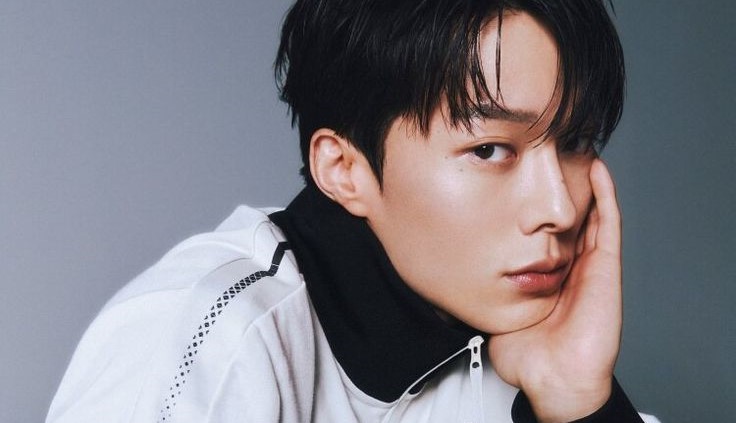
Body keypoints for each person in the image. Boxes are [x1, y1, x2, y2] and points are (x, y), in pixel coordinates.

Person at [46, 1, 660, 422]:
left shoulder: (530, 355)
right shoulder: (207, 337)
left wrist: (580, 403)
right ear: (344, 169)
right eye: (489, 149)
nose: (559, 207)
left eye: (577, 143)